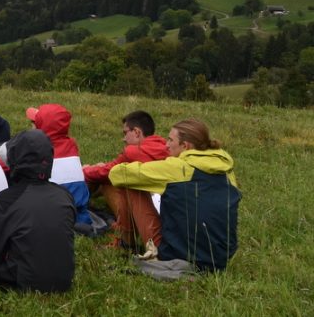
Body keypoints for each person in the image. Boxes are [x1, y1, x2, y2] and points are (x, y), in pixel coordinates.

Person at [108, 118, 240, 272]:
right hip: (219, 259)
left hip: (177, 254)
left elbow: (116, 174)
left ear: (185, 146)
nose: (166, 145)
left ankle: (125, 243)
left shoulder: (177, 168)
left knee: (131, 183)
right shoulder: (226, 172)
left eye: (170, 140)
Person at [0, 129, 75, 292]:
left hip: (18, 284)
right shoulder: (65, 196)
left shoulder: (4, 201)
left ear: (14, 159)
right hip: (63, 282)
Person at [83, 110, 169, 251]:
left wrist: (82, 170)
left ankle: (125, 241)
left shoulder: (133, 152)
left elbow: (106, 172)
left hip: (153, 231)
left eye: (125, 133)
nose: (124, 139)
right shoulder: (167, 149)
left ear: (136, 132)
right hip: (167, 216)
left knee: (114, 180)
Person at [26, 104, 92, 227]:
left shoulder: (36, 148)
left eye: (34, 123)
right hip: (78, 212)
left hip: (50, 212)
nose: (31, 126)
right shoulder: (72, 144)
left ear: (41, 126)